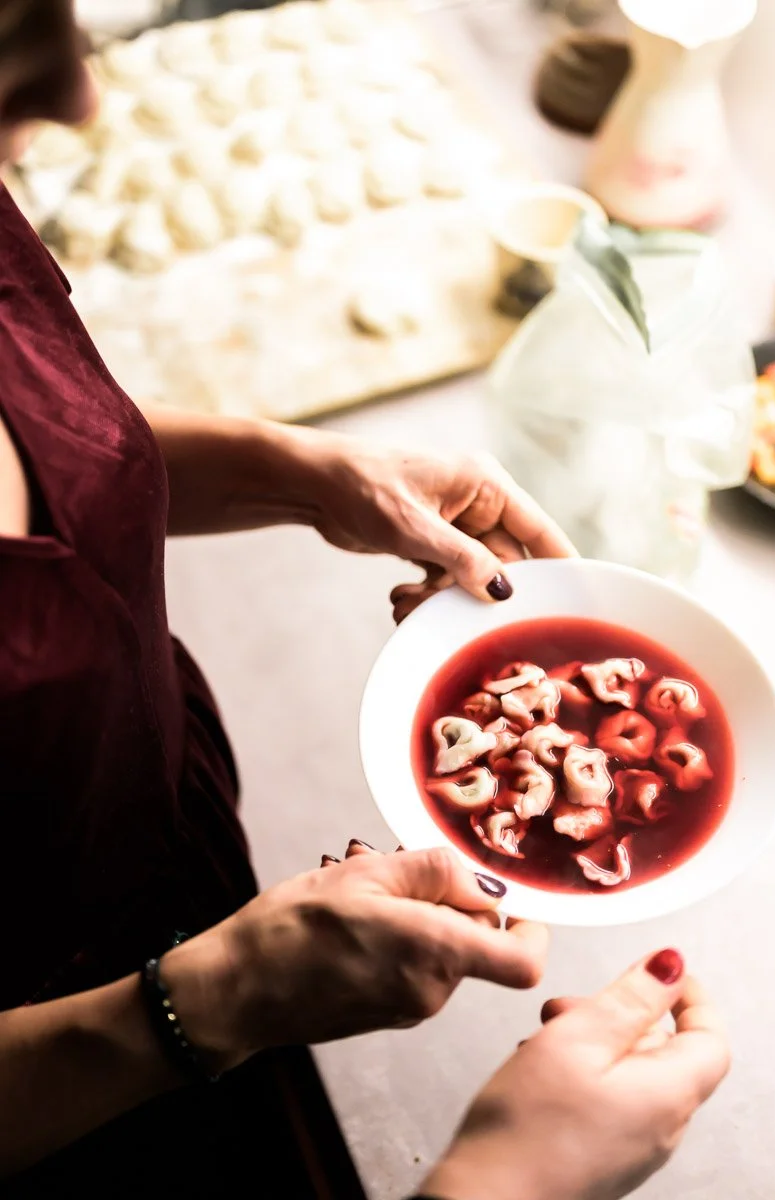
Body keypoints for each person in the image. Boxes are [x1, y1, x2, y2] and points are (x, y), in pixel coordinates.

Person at [0, 2, 730, 1195]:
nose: (83, 96)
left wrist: (300, 473)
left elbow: (52, 446)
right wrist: (507, 1178)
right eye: (11, 43)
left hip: (153, 847)